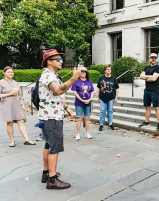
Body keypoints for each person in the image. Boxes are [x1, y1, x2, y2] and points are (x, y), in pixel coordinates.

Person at [39, 49, 81, 189]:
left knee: (48, 145)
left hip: (50, 115)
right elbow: (58, 90)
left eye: (61, 59)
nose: (61, 61)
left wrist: (66, 108)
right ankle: (52, 180)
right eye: (58, 59)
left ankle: (46, 172)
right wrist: (74, 78)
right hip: (51, 118)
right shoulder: (48, 75)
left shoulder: (52, 75)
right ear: (49, 61)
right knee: (54, 147)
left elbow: (56, 96)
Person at [0, 66, 36, 147]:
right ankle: (12, 140)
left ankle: (26, 139)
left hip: (17, 104)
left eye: (12, 72)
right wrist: (10, 93)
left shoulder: (15, 83)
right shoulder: (1, 82)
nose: (10, 73)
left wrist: (23, 106)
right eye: (8, 72)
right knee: (10, 122)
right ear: (4, 73)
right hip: (6, 105)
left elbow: (20, 96)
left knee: (21, 121)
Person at [139, 53, 159, 131]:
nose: (153, 59)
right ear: (149, 59)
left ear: (156, 59)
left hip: (154, 90)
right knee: (147, 106)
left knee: (156, 107)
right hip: (147, 90)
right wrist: (150, 77)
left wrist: (146, 77)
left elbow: (154, 79)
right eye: (152, 58)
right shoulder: (146, 67)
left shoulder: (158, 68)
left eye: (155, 58)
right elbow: (141, 76)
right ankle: (147, 122)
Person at [71, 67, 95, 140]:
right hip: (79, 103)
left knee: (87, 118)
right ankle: (78, 133)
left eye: (84, 72)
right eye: (81, 72)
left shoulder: (89, 81)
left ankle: (87, 132)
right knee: (79, 118)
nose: (83, 73)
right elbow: (74, 92)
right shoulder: (76, 81)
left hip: (88, 102)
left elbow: (92, 91)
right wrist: (81, 99)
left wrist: (90, 99)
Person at [97, 64, 119, 131]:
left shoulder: (113, 78)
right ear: (105, 70)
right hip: (102, 97)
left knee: (110, 111)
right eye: (107, 69)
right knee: (102, 111)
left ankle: (110, 124)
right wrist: (97, 96)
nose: (109, 71)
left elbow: (117, 88)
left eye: (110, 69)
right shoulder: (101, 78)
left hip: (111, 97)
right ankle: (101, 124)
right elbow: (98, 87)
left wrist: (116, 97)